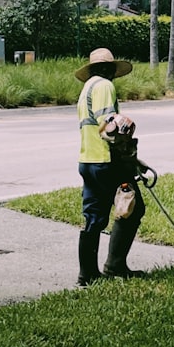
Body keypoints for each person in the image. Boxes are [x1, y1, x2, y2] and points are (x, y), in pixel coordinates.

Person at [74, 47, 147, 286]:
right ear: (110, 70)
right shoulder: (104, 86)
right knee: (133, 207)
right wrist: (127, 158)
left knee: (93, 217)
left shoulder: (86, 88)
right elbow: (110, 128)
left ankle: (87, 275)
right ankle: (115, 265)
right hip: (107, 161)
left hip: (88, 161)